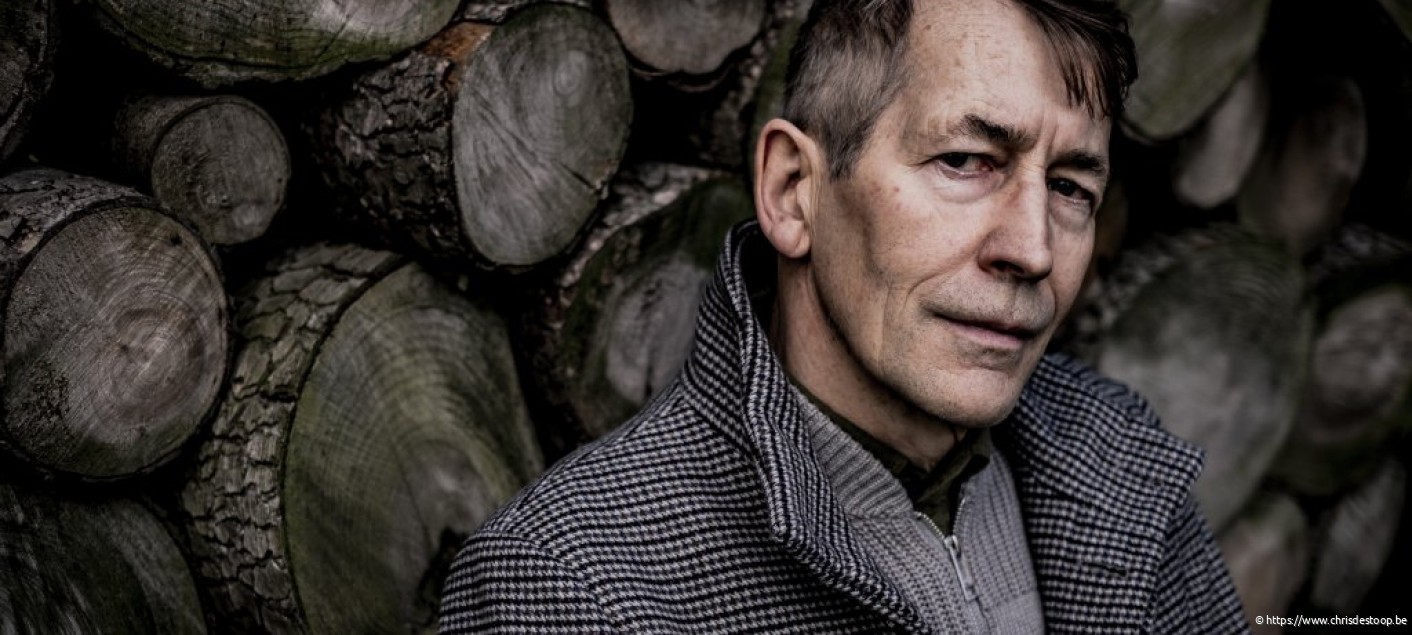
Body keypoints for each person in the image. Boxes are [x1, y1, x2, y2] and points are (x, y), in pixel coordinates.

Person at [440, 0, 1249, 632]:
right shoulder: (573, 584)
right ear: (794, 191)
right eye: (966, 161)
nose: (1032, 248)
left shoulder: (1120, 460)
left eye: (1071, 186)